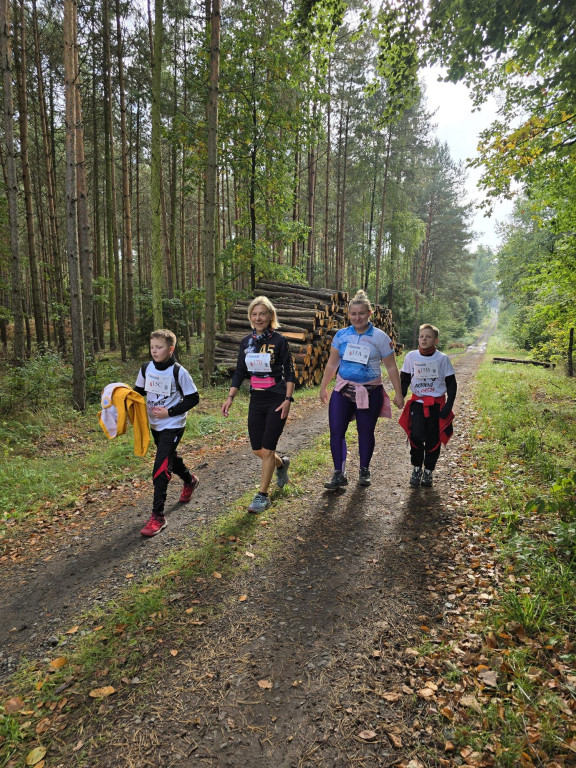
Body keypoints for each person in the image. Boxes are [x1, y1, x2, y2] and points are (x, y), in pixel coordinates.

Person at [319, 290, 404, 489]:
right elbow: (332, 364)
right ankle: (339, 472)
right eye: (353, 314)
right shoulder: (341, 335)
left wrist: (398, 393)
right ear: (348, 315)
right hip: (343, 390)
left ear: (370, 314)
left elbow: (391, 367)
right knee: (336, 431)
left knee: (365, 431)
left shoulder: (380, 338)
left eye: (362, 313)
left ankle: (364, 470)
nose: (357, 317)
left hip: (370, 392)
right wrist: (324, 387)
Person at [221, 296, 295, 513]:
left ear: (270, 315)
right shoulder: (246, 342)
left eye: (262, 313)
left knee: (268, 449)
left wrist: (288, 400)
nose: (258, 317)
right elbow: (241, 372)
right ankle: (282, 464)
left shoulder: (279, 341)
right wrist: (230, 397)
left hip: (276, 398)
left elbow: (290, 372)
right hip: (256, 400)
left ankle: (262, 495)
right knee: (258, 450)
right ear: (250, 317)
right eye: (254, 314)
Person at [134, 329, 200, 537]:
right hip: (154, 425)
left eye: (159, 347)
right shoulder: (146, 368)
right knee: (170, 457)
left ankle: (158, 516)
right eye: (152, 347)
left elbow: (193, 398)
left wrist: (169, 411)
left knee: (160, 467)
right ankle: (190, 480)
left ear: (170, 349)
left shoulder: (179, 372)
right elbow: (137, 393)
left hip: (173, 423)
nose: (154, 351)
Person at [399, 323, 457, 488]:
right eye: (421, 336)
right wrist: (401, 395)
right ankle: (416, 468)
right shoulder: (411, 357)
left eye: (428, 336)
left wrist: (449, 405)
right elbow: (404, 379)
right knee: (415, 437)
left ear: (436, 340)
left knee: (433, 440)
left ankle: (428, 471)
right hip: (417, 404)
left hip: (437, 406)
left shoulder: (442, 359)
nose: (424, 339)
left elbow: (451, 384)